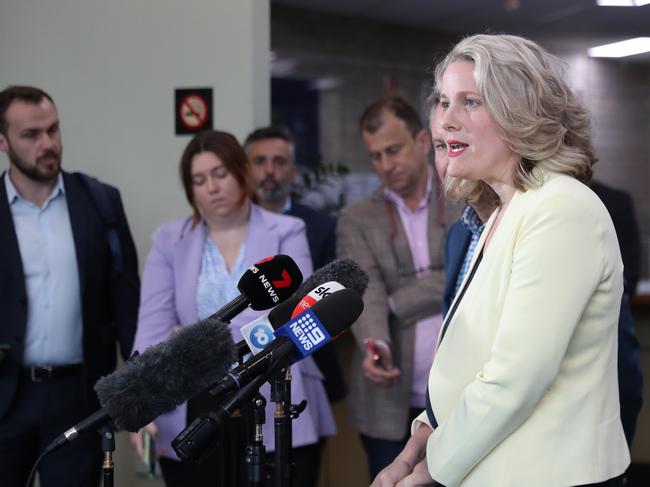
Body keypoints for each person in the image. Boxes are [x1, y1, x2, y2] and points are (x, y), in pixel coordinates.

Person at [373, 34, 629, 487]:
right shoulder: (507, 211)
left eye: (470, 102)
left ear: (521, 112)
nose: (446, 120)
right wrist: (414, 452)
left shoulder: (561, 208)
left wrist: (427, 472)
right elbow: (468, 367)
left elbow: (514, 380)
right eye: (445, 101)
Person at [129, 130, 335, 487]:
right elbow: (153, 326)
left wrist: (192, 337)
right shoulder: (168, 240)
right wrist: (141, 400)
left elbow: (289, 316)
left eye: (220, 174)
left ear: (242, 173)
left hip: (274, 394)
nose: (211, 187)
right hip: (193, 403)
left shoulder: (287, 230)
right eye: (199, 180)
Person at [0, 85, 140, 487]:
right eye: (31, 135)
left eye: (53, 130)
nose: (48, 143)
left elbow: (127, 305)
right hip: (6, 398)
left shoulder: (100, 203)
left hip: (78, 396)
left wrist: (140, 396)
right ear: (3, 142)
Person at [336, 95, 451, 480]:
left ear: (422, 141)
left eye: (394, 150)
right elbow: (365, 293)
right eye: (375, 156)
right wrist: (375, 347)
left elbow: (462, 274)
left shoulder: (464, 196)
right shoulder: (356, 218)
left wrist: (397, 300)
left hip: (458, 394)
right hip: (388, 399)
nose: (386, 165)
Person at [244, 125, 345, 403]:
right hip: (240, 374)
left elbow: (330, 299)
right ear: (245, 170)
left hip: (309, 371)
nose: (269, 171)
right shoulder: (228, 228)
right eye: (260, 161)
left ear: (293, 171)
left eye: (279, 162)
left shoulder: (321, 227)